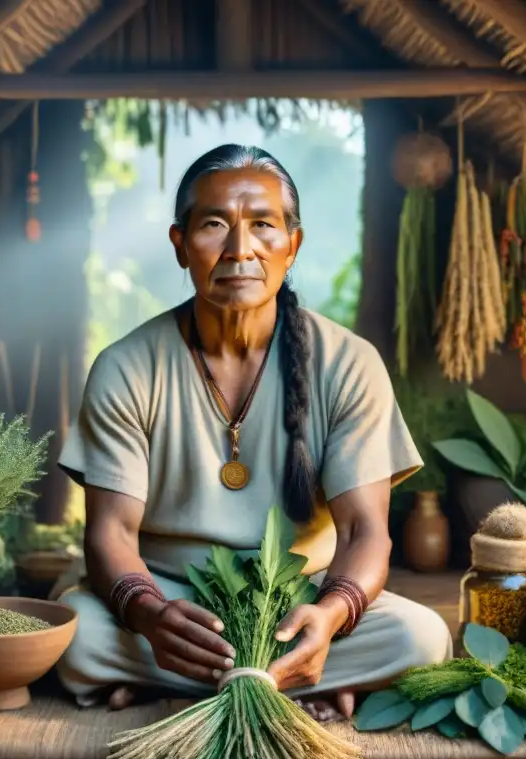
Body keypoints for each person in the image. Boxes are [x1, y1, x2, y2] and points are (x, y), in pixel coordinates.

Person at [56, 144, 452, 720]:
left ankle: (203, 685)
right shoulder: (127, 366)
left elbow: (366, 531)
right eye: (214, 225)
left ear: (293, 245)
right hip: (173, 603)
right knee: (76, 636)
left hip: (299, 603)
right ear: (180, 244)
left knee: (422, 640)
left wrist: (333, 616)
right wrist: (149, 615)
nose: (240, 249)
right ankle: (291, 685)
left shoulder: (348, 363)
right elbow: (110, 534)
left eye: (263, 226)